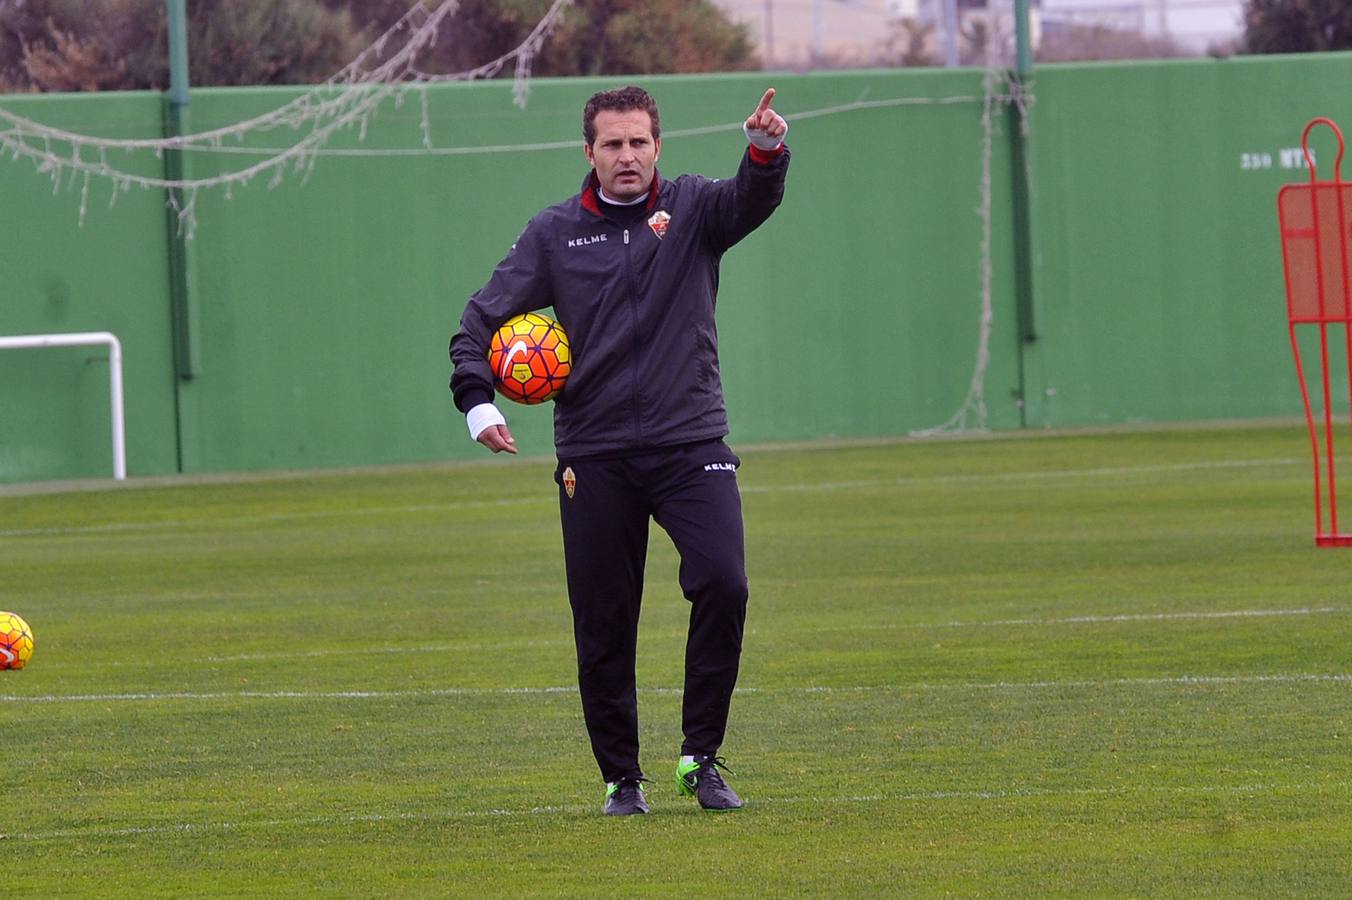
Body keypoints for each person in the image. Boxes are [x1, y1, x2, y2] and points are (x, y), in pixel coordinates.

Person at [449, 84, 789, 816]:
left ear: (657, 147)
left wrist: (764, 150)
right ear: (590, 152)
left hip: (690, 438)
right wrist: (478, 401)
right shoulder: (555, 234)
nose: (627, 156)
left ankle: (700, 760)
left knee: (724, 581)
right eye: (612, 144)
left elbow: (752, 199)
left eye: (639, 142)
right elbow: (476, 322)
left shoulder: (695, 208)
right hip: (595, 453)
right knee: (603, 617)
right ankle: (621, 779)